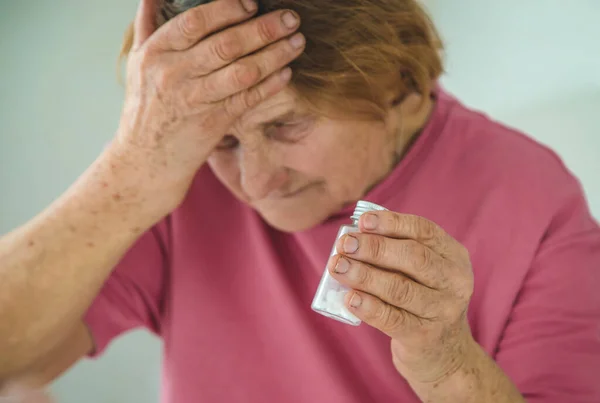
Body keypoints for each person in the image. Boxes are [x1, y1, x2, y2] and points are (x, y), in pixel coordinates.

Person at [0, 0, 599, 402]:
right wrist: (130, 173)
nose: (255, 185)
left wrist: (447, 363)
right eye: (225, 141)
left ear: (393, 82)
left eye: (287, 127)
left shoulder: (534, 198)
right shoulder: (176, 175)